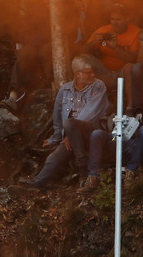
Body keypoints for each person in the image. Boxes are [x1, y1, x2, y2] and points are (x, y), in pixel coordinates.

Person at [25, 55, 109, 191]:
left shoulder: (98, 86)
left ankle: (83, 170)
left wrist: (70, 133)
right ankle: (36, 184)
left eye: (92, 71)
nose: (92, 75)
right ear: (78, 74)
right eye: (89, 73)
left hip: (92, 133)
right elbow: (57, 115)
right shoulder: (65, 90)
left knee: (70, 124)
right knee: (55, 155)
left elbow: (90, 113)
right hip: (72, 136)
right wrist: (56, 137)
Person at [74, 3, 139, 88]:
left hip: (124, 74)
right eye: (112, 19)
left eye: (118, 20)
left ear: (127, 19)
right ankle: (81, 95)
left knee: (131, 67)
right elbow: (80, 53)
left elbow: (133, 61)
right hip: (103, 72)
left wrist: (116, 47)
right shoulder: (103, 31)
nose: (115, 23)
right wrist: (92, 43)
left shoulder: (136, 33)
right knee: (79, 60)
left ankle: (129, 100)